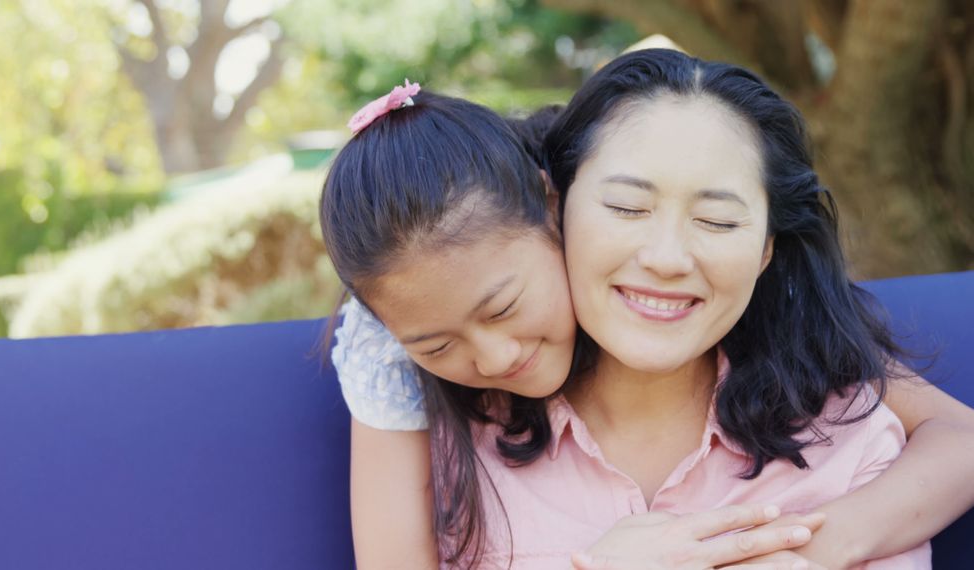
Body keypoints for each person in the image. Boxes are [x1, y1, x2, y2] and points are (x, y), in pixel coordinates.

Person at [322, 51, 974, 569]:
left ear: (768, 247)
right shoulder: (452, 445)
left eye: (717, 220)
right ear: (561, 205)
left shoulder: (850, 433)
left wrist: (810, 550)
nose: (666, 256)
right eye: (628, 209)